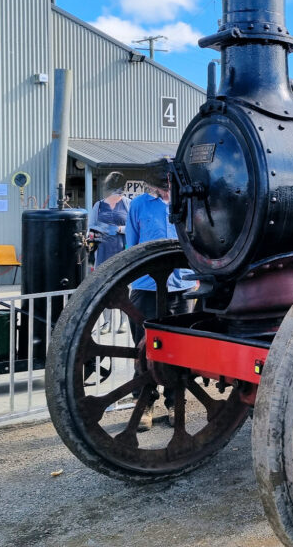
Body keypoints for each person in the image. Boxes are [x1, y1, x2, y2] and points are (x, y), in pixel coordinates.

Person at [125, 158, 193, 430]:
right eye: (160, 189)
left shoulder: (187, 204)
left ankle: (176, 402)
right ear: (150, 186)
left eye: (168, 188)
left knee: (181, 349)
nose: (165, 194)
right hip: (146, 287)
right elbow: (131, 246)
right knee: (144, 348)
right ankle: (145, 404)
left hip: (181, 285)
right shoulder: (138, 206)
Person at [89, 172, 129, 334]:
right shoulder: (98, 205)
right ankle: (106, 322)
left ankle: (124, 322)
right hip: (103, 251)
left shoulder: (128, 204)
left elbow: (134, 228)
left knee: (124, 287)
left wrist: (119, 229)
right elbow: (91, 228)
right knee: (105, 288)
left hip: (123, 251)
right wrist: (98, 232)